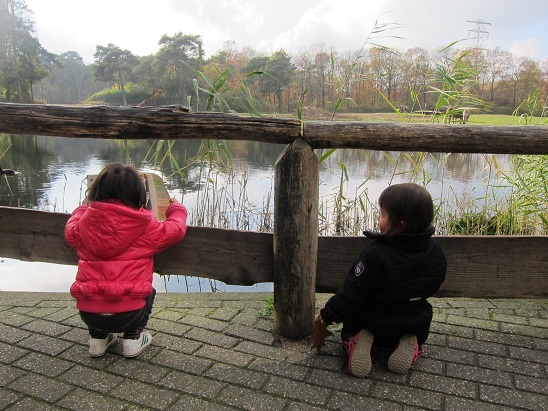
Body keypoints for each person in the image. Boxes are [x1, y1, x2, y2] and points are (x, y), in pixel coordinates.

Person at [317, 183, 446, 377]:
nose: (378, 217)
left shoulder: (376, 253)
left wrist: (327, 315)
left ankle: (356, 340)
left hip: (371, 321)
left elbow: (353, 293)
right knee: (411, 321)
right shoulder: (434, 249)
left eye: (383, 214)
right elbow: (435, 282)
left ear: (400, 223)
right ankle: (408, 342)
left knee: (354, 324)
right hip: (415, 320)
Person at [65, 163, 188, 358]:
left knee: (98, 294)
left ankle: (97, 340)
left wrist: (82, 209)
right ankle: (132, 339)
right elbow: (175, 231)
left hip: (89, 314)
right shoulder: (146, 225)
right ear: (138, 194)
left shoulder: (82, 226)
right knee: (148, 290)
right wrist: (177, 210)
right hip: (130, 315)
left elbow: (70, 229)